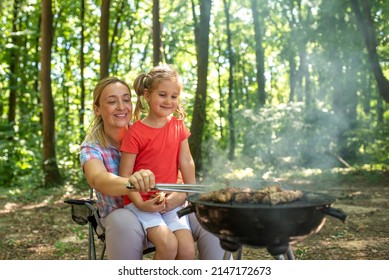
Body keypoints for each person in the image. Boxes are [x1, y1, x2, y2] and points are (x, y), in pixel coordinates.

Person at [80, 76, 228, 260]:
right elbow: (98, 179)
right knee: (123, 220)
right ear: (97, 109)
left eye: (126, 99)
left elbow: (177, 170)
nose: (121, 106)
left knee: (216, 216)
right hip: (128, 214)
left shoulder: (151, 127)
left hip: (166, 207)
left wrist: (179, 195)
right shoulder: (92, 148)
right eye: (111, 101)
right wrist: (134, 183)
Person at [119, 65, 195, 260]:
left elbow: (186, 160)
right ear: (147, 94)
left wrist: (191, 192)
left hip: (169, 201)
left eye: (174, 96)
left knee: (187, 249)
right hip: (140, 202)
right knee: (168, 245)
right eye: (162, 95)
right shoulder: (135, 132)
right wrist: (141, 204)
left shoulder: (178, 126)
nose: (169, 101)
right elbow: (125, 176)